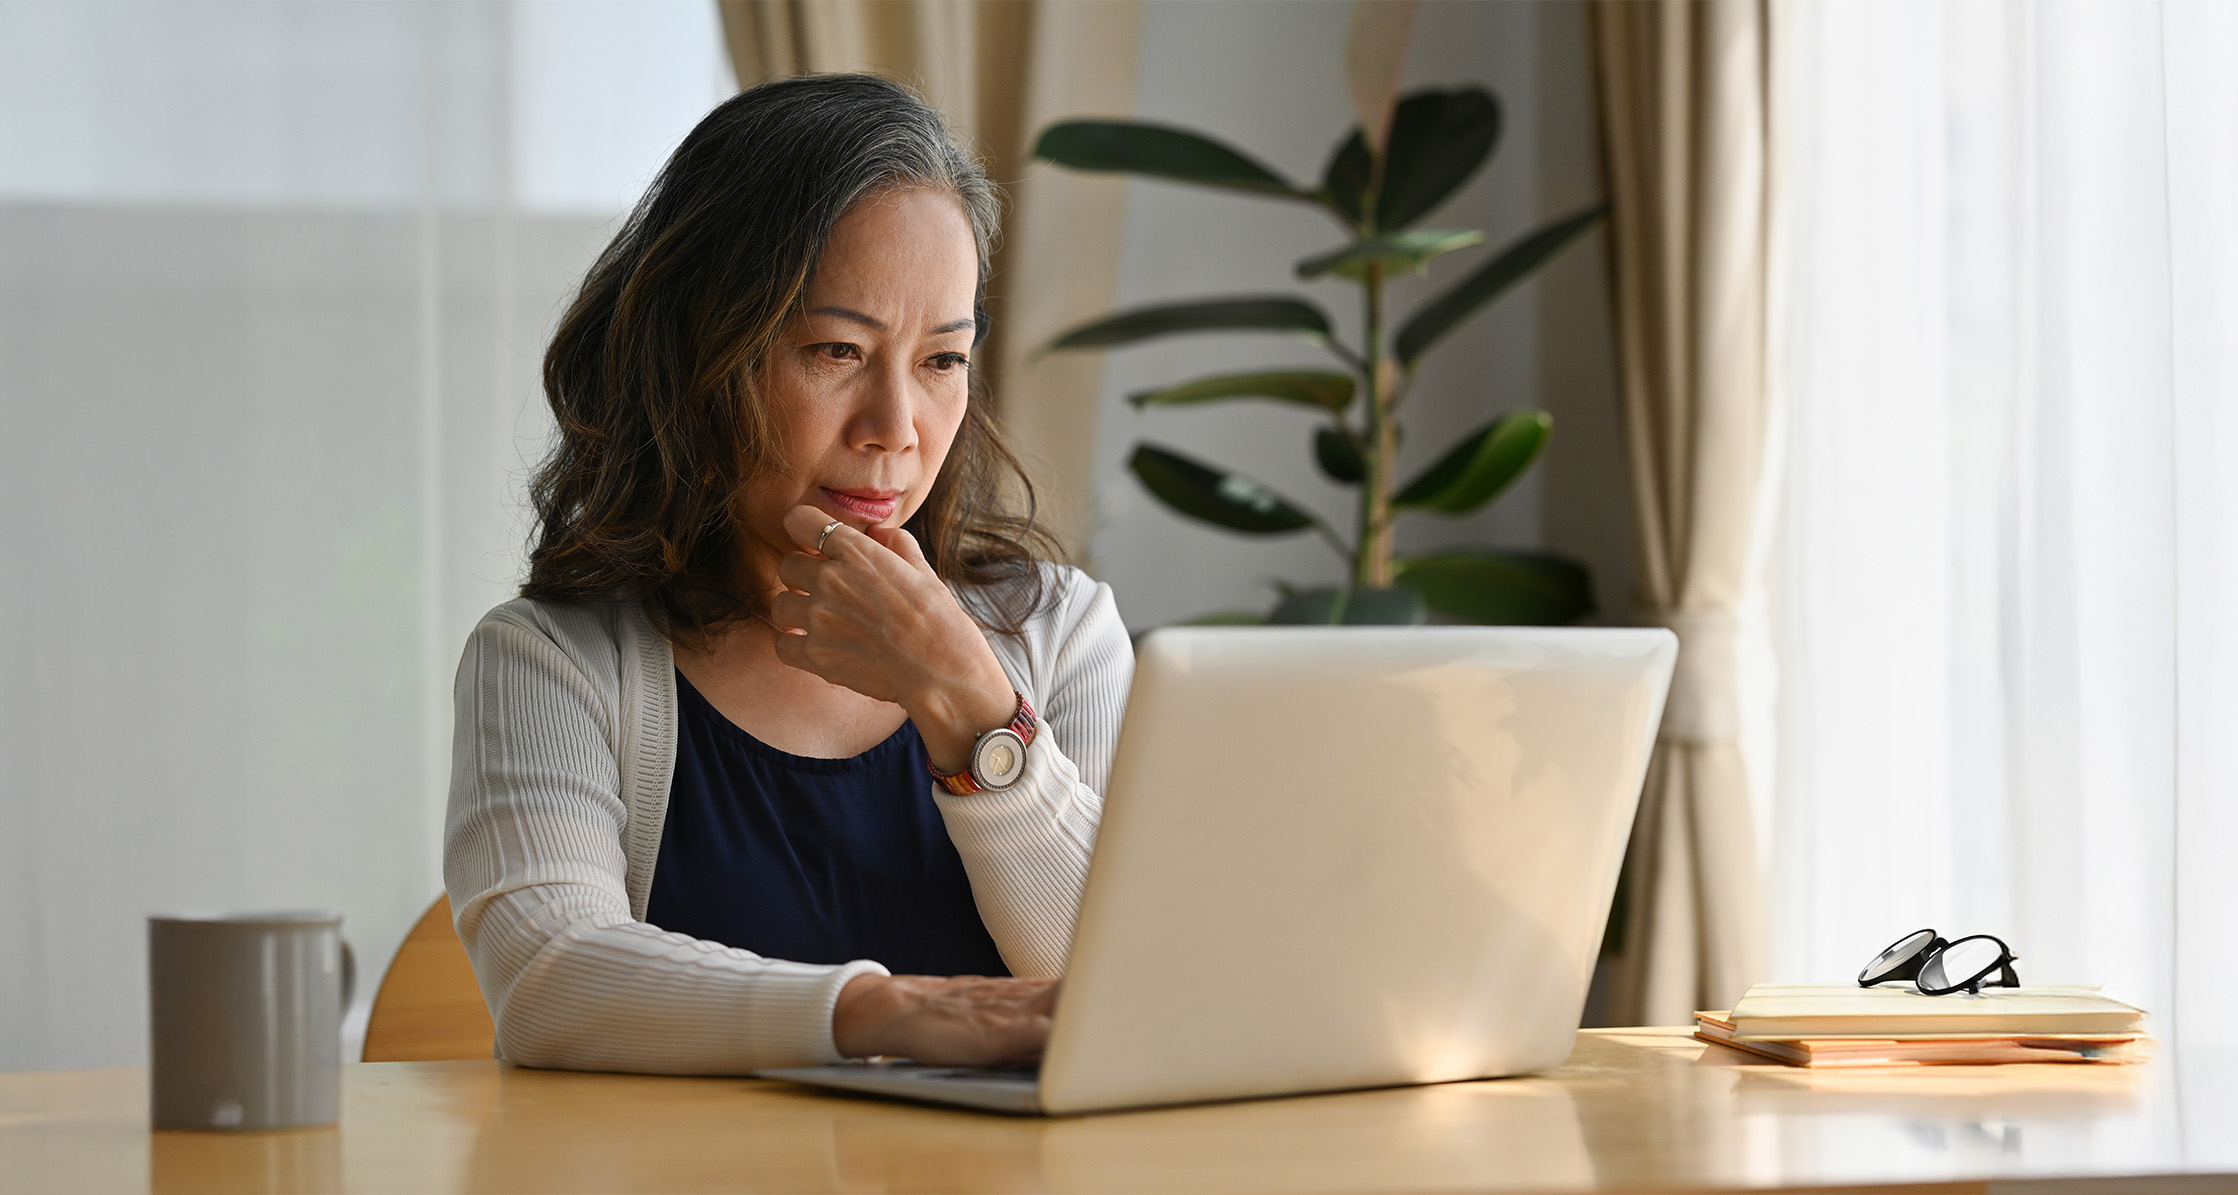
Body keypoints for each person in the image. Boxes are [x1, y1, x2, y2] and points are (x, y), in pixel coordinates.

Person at [443, 74, 1132, 1075]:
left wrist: (971, 702)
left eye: (942, 360)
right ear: (701, 356)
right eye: (837, 349)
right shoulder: (555, 661)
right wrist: (891, 1012)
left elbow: (1119, 983)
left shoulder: (1059, 632)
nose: (896, 429)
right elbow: (550, 977)